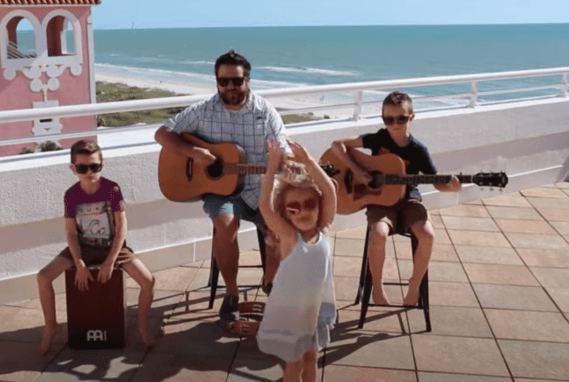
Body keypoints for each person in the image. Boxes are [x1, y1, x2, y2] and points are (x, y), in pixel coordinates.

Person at [154, 50, 290, 321]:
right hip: (221, 191)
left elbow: (281, 148)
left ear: (248, 80)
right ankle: (231, 292)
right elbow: (162, 133)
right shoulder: (203, 110)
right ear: (216, 81)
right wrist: (194, 154)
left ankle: (271, 282)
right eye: (223, 81)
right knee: (225, 224)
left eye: (236, 82)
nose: (230, 87)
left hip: (259, 188)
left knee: (277, 229)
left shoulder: (264, 111)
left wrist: (282, 159)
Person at [330, 91, 461, 306]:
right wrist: (358, 171)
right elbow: (337, 145)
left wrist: (452, 188)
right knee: (379, 234)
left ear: (411, 118)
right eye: (388, 119)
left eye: (401, 118)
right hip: (379, 200)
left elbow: (438, 181)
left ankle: (414, 285)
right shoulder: (378, 139)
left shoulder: (418, 150)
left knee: (427, 235)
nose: (395, 123)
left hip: (409, 199)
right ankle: (377, 286)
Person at [36, 139, 155, 355]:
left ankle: (140, 325)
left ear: (103, 165)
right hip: (83, 247)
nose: (89, 172)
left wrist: (110, 261)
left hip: (112, 247)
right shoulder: (71, 195)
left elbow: (121, 228)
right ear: (73, 169)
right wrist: (79, 263)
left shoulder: (112, 189)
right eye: (83, 168)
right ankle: (51, 327)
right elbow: (71, 233)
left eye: (95, 166)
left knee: (148, 280)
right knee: (43, 277)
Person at [256, 139, 337, 382]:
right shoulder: (290, 238)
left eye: (310, 204)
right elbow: (265, 207)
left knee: (312, 358)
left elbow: (330, 191)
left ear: (319, 206)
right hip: (292, 313)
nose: (302, 211)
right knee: (295, 363)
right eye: (294, 207)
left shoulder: (324, 229)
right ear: (286, 212)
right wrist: (271, 168)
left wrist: (310, 162)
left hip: (315, 309)